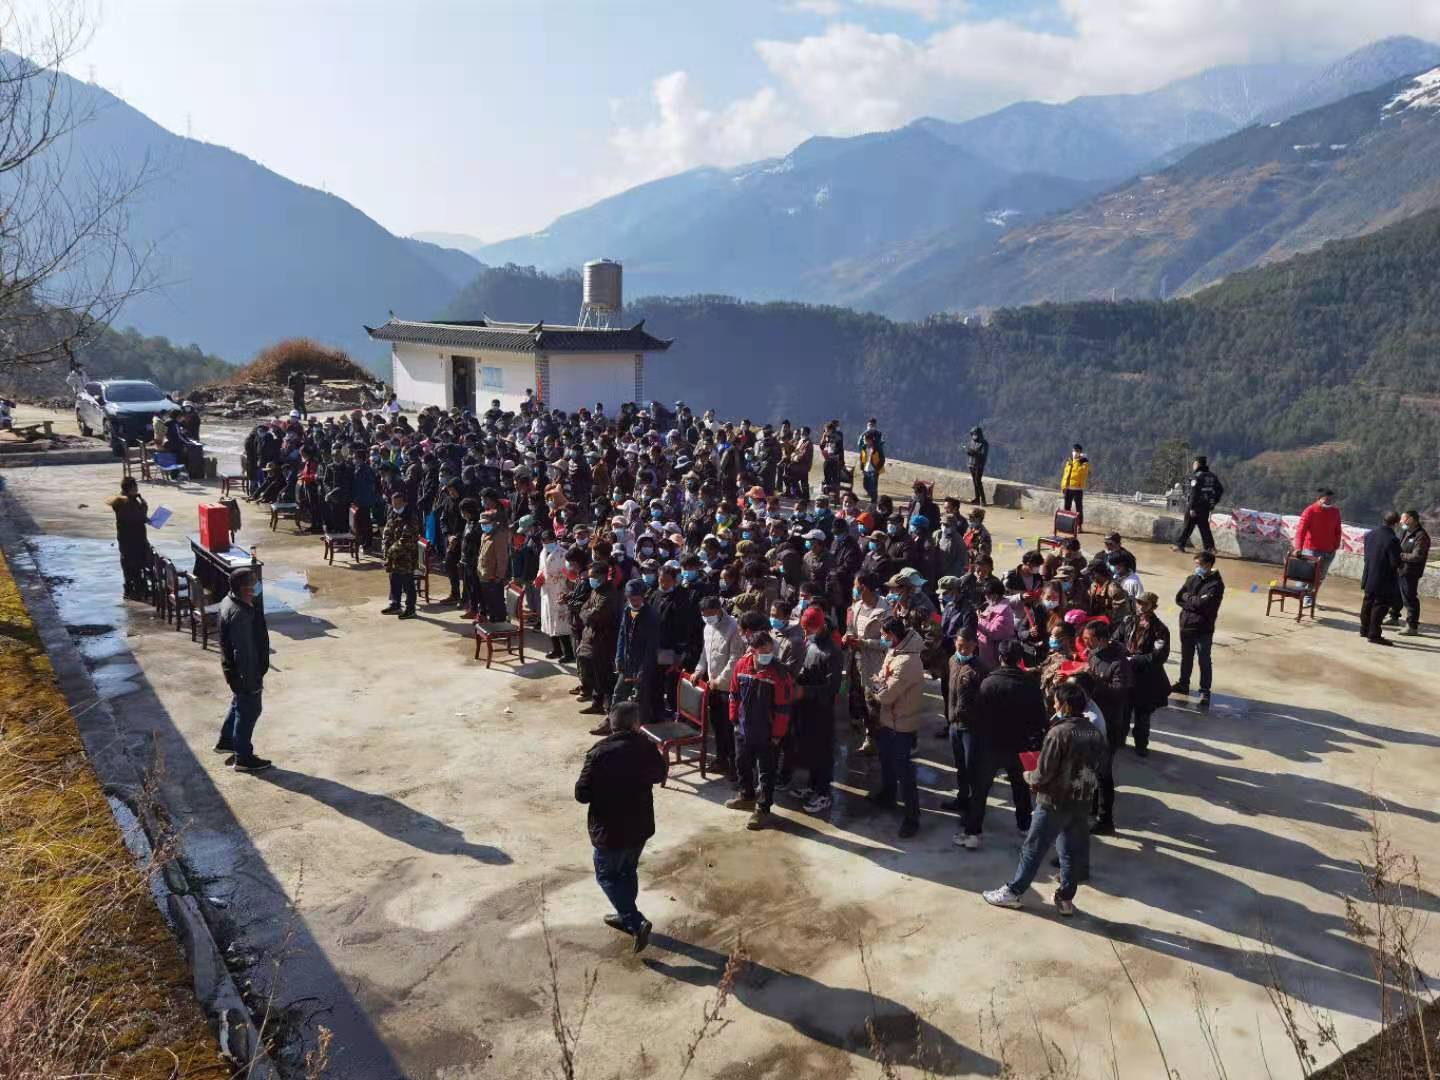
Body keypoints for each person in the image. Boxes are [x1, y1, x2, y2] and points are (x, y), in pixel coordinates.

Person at [983, 680, 1108, 916]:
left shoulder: (1059, 733)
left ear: (1065, 705)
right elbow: (1100, 766)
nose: (1054, 705)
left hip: (1054, 802)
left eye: (1056, 702)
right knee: (1069, 851)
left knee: (1033, 848)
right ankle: (1066, 898)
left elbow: (1043, 773)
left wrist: (1028, 776)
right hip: (1081, 801)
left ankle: (1014, 891)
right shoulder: (1094, 731)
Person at [574, 700, 667, 953]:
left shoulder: (598, 753)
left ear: (612, 725)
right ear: (636, 724)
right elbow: (659, 774)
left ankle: (634, 920)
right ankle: (625, 914)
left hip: (610, 830)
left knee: (607, 876)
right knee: (627, 871)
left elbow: (581, 794)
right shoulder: (647, 746)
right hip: (639, 826)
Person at [960, 639, 1042, 849]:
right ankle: (1025, 825)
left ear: (1000, 657)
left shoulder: (989, 683)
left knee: (980, 790)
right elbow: (1040, 719)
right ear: (1020, 658)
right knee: (1020, 787)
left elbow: (978, 717)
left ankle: (973, 833)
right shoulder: (1030, 684)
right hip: (1020, 746)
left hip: (991, 746)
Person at [725, 631, 795, 830]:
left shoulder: (780, 674)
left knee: (766, 772)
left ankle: (763, 808)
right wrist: (734, 720)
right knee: (742, 764)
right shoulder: (742, 665)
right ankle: (746, 795)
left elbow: (783, 709)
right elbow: (734, 694)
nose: (767, 656)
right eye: (762, 652)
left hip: (767, 734)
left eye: (769, 651)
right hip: (743, 729)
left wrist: (777, 735)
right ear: (752, 651)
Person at [867, 615, 925, 838]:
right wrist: (880, 683)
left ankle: (912, 817)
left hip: (901, 723)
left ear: (892, 635)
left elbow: (886, 694)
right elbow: (883, 679)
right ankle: (888, 796)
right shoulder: (896, 651)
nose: (882, 639)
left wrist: (876, 686)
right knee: (886, 762)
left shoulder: (907, 661)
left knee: (904, 771)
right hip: (888, 719)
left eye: (884, 635)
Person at [216, 569, 272, 772]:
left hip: (235, 671)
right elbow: (244, 651)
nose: (258, 586)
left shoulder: (230, 601)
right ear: (245, 589)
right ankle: (243, 757)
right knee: (249, 710)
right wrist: (251, 679)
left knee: (239, 703)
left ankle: (227, 741)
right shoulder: (240, 615)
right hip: (245, 672)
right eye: (255, 583)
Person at [791, 605, 843, 813]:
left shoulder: (833, 652)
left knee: (822, 751)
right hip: (807, 706)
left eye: (809, 629)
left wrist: (805, 691)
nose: (805, 633)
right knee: (810, 748)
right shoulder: (811, 644)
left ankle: (823, 792)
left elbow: (832, 687)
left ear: (820, 627)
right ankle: (812, 786)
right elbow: (807, 670)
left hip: (822, 709)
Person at [693, 593, 746, 781]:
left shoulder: (733, 628)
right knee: (716, 726)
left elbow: (735, 659)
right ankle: (721, 759)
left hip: (728, 687)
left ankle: (734, 766)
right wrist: (699, 670)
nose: (707, 618)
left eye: (710, 614)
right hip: (712, 686)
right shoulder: (708, 627)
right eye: (704, 614)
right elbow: (705, 653)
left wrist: (720, 681)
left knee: (729, 729)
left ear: (718, 610)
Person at [1121, 593, 1170, 756]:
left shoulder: (1160, 629)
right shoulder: (1128, 621)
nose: (1140, 606)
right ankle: (1120, 739)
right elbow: (1116, 639)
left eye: (1144, 604)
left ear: (1153, 607)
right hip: (1126, 674)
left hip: (1146, 678)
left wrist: (1134, 660)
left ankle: (1141, 745)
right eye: (1138, 602)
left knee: (1142, 714)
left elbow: (1158, 656)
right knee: (1123, 711)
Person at [1173, 550, 1224, 706]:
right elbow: (1179, 598)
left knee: (1204, 660)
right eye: (1196, 565)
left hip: (1203, 628)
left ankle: (1204, 691)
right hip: (1186, 626)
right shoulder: (1192, 579)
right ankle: (1183, 684)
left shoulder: (1216, 585)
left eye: (1199, 565)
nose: (1197, 568)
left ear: (1208, 565)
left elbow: (1204, 605)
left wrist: (1188, 599)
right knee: (1186, 658)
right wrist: (1193, 601)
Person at [612, 579, 658, 734]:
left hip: (642, 665)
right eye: (631, 599)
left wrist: (643, 670)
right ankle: (615, 725)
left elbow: (651, 648)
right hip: (627, 663)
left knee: (640, 700)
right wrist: (619, 657)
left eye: (637, 599)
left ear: (643, 597)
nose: (634, 602)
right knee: (619, 694)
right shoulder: (627, 610)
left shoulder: (651, 616)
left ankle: (640, 731)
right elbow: (621, 635)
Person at [576, 561, 620, 717]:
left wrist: (587, 614)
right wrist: (587, 614)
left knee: (603, 675)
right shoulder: (596, 591)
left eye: (593, 577)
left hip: (603, 640)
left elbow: (594, 617)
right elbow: (584, 609)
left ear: (602, 576)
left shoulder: (609, 595)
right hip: (591, 637)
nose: (590, 580)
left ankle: (609, 711)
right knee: (594, 673)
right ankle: (597, 703)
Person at [1359, 511, 1402, 647]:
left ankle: (1364, 629)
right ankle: (1374, 634)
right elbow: (1395, 562)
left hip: (1369, 573)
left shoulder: (1370, 534)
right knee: (1380, 606)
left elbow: (1367, 555)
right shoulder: (1392, 539)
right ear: (1396, 523)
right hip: (1384, 577)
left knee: (1368, 602)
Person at [105, 475, 152, 599]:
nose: (137, 489)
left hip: (126, 539)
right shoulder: (127, 503)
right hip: (133, 539)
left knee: (130, 565)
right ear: (131, 488)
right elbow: (138, 518)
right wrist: (144, 506)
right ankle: (135, 591)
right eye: (135, 487)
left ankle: (132, 590)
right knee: (135, 565)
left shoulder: (124, 500)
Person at [1293, 489, 1342, 594]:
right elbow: (1301, 531)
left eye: (1331, 500)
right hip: (1311, 550)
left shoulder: (1335, 512)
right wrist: (1298, 548)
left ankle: (1309, 596)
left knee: (1320, 577)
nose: (1328, 503)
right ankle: (1298, 594)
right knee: (1306, 575)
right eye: (1326, 500)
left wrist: (1335, 546)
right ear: (1319, 499)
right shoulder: (1310, 511)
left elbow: (1338, 530)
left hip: (1329, 551)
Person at [1390, 510, 1430, 637]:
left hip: (1410, 572)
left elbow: (1417, 556)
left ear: (1411, 519)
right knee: (1396, 595)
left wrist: (1400, 555)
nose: (1401, 521)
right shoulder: (1405, 532)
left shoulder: (1421, 536)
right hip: (1400, 569)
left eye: (1403, 519)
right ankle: (1394, 617)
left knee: (1409, 598)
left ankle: (1412, 626)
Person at [380, 489, 419, 619]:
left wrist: (390, 552)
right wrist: (385, 549)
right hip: (393, 555)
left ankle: (410, 608)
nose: (395, 506)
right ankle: (395, 604)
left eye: (398, 504)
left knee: (408, 582)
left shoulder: (411, 517)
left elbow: (405, 539)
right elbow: (387, 531)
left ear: (405, 503)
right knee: (394, 579)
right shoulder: (393, 513)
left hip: (406, 555)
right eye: (393, 503)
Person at [1173, 456, 1225, 553]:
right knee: (1204, 528)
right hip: (1205, 507)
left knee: (1187, 527)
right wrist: (1213, 502)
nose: (1193, 465)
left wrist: (1192, 508)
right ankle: (1210, 548)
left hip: (1195, 506)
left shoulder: (1196, 476)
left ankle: (1179, 545)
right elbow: (1220, 489)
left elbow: (1194, 493)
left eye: (1194, 463)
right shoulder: (1212, 476)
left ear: (1197, 464)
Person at [1060, 444, 1089, 531]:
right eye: (1073, 450)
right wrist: (1063, 486)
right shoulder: (1070, 460)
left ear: (1080, 452)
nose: (1074, 452)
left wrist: (1081, 461)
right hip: (1068, 488)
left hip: (1078, 489)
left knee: (1078, 508)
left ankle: (1079, 526)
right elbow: (1065, 474)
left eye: (1076, 451)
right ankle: (1067, 525)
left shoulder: (1084, 462)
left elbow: (1084, 472)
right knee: (1067, 508)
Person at [965, 426, 989, 505]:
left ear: (979, 434)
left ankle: (983, 500)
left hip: (979, 465)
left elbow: (983, 455)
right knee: (975, 482)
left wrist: (973, 452)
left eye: (974, 434)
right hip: (971, 464)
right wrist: (968, 451)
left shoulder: (984, 443)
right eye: (972, 434)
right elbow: (971, 451)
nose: (973, 436)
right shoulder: (972, 441)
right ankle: (977, 499)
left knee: (978, 482)